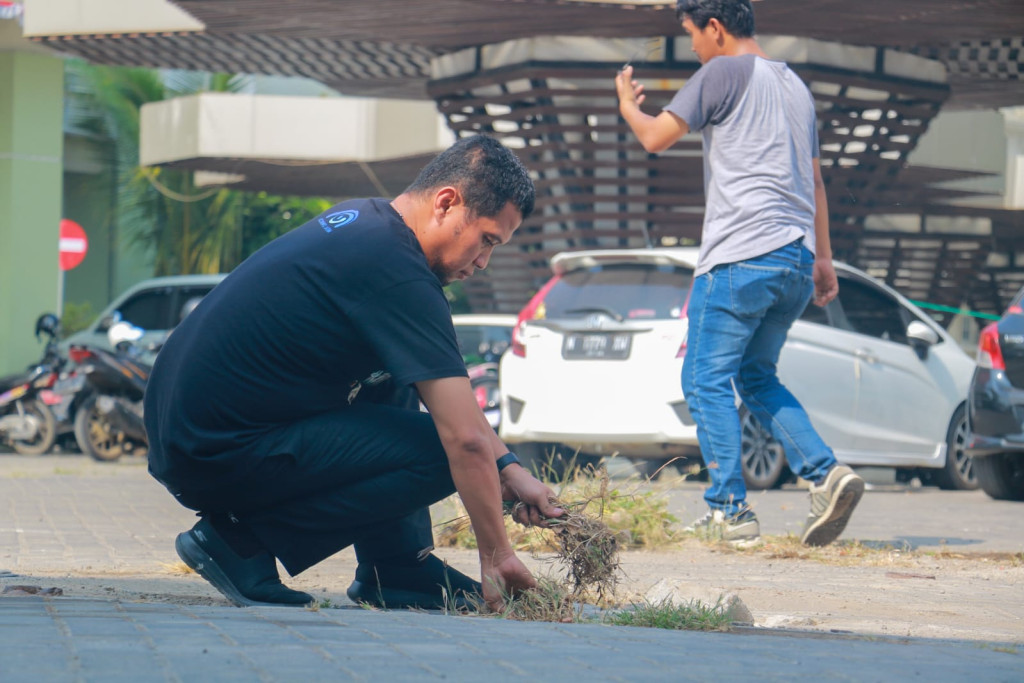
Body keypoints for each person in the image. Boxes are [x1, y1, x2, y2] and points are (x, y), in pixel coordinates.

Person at [143, 134, 564, 611]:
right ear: (447, 203)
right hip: (216, 449)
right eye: (486, 240)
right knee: (438, 451)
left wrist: (508, 467)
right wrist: (497, 554)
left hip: (192, 433)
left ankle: (397, 566)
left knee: (400, 377)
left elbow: (451, 405)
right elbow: (464, 440)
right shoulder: (398, 273)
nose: (484, 262)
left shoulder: (367, 222)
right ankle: (239, 541)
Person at [614, 0, 864, 547]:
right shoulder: (794, 85)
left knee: (704, 379)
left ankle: (729, 512)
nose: (695, 49)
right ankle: (826, 475)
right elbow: (817, 184)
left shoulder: (722, 71)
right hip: (795, 258)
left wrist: (628, 107)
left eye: (693, 37)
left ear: (716, 27)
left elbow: (656, 137)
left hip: (741, 255)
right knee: (756, 377)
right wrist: (823, 260)